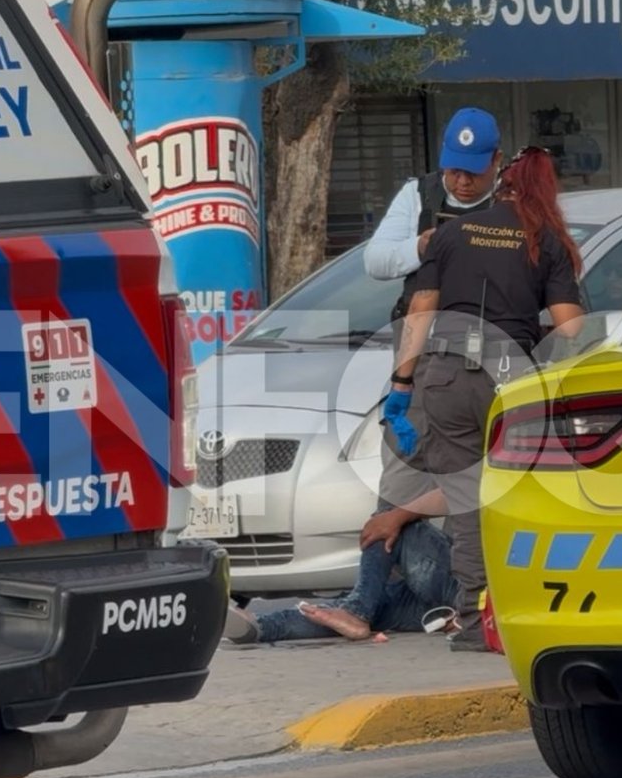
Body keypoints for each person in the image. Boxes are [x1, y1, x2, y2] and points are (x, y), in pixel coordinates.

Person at [385, 147, 587, 652]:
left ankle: (476, 622)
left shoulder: (453, 232)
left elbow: (422, 307)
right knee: (518, 498)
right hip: (511, 381)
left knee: (464, 503)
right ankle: (525, 609)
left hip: (446, 377)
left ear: (502, 180)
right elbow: (572, 327)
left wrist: (402, 383)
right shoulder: (546, 240)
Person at [362, 108, 504, 510]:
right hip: (422, 358)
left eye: (473, 173)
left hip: (492, 356)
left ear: (496, 161)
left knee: (481, 477)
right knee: (405, 470)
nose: (461, 182)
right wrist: (421, 248)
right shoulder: (419, 194)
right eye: (454, 170)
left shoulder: (515, 200)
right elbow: (375, 260)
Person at [223, 490, 456, 644]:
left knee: (387, 520)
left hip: (468, 587)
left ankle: (356, 612)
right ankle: (262, 627)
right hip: (458, 601)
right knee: (359, 608)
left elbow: (459, 488)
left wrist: (397, 516)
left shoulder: (481, 450)